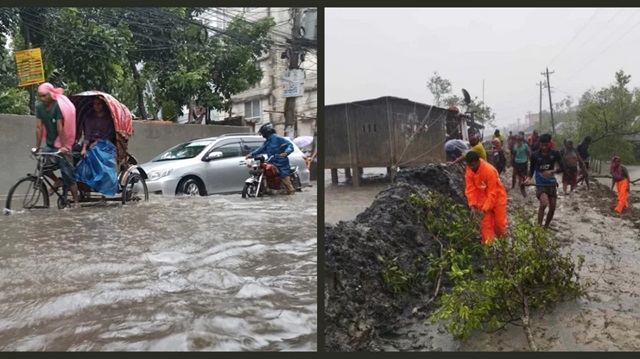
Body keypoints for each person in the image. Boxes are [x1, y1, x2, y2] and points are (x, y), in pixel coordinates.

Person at [35, 83, 80, 208]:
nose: (41, 99)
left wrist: (64, 146)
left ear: (50, 95)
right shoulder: (39, 107)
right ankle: (57, 181)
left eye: (44, 96)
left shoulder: (57, 107)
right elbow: (39, 127)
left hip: (63, 145)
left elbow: (60, 127)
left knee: (68, 174)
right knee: (42, 166)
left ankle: (76, 203)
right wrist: (37, 147)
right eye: (39, 96)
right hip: (50, 145)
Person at [463, 151, 508, 245]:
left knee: (499, 225)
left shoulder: (489, 170)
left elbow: (492, 192)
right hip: (482, 200)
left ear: (478, 161)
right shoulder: (469, 170)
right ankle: (488, 248)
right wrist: (472, 205)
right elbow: (470, 189)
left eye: (472, 165)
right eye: (469, 165)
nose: (471, 168)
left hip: (497, 199)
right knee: (485, 226)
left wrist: (484, 209)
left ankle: (504, 246)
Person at [525, 134, 565, 229]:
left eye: (546, 145)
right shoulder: (534, 155)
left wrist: (552, 171)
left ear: (550, 144)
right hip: (540, 182)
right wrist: (528, 179)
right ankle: (539, 227)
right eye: (542, 145)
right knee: (543, 204)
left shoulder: (555, 153)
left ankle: (546, 227)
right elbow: (531, 170)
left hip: (551, 183)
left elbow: (563, 168)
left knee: (552, 207)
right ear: (539, 144)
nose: (544, 147)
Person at [246, 123, 295, 195]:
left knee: (284, 178)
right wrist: (251, 154)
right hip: (271, 161)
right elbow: (260, 149)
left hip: (281, 162)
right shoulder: (267, 141)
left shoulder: (278, 138)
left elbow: (290, 145)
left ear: (266, 132)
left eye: (263, 133)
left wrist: (286, 153)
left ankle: (290, 190)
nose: (262, 135)